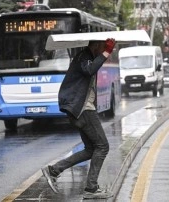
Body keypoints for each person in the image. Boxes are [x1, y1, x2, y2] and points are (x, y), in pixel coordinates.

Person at [41, 38, 116, 199]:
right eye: (103, 46)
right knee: (103, 146)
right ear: (95, 45)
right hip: (83, 109)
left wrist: (104, 53)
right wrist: (106, 52)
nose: (105, 51)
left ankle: (54, 170)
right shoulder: (84, 57)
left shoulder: (86, 56)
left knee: (91, 149)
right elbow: (89, 70)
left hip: (81, 109)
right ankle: (91, 188)